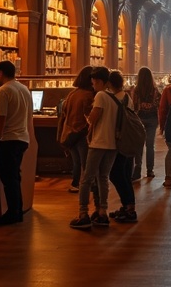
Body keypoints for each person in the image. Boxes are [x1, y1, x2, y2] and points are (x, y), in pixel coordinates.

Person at [70, 67, 118, 230]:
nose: (93, 85)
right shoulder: (115, 97)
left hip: (98, 142)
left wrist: (86, 117)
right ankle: (102, 212)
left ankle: (83, 214)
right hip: (112, 144)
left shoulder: (101, 96)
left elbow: (93, 118)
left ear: (99, 82)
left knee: (87, 178)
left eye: (94, 82)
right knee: (103, 177)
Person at [0, 60, 32, 225]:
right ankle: (18, 210)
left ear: (0, 73)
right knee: (15, 176)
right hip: (22, 138)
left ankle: (13, 213)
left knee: (8, 179)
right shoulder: (24, 88)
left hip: (8, 139)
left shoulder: (3, 91)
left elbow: (1, 119)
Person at [106, 71, 138, 223]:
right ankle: (128, 207)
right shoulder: (126, 97)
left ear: (109, 84)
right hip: (129, 139)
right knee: (125, 174)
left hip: (119, 141)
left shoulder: (113, 99)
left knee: (116, 174)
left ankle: (129, 207)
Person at [58, 66, 96, 192]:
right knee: (86, 161)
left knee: (76, 161)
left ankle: (75, 183)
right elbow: (89, 115)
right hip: (82, 132)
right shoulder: (88, 95)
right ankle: (87, 184)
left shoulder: (72, 94)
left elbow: (64, 113)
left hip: (69, 133)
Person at [132, 67, 161, 179]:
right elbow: (159, 105)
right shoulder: (155, 91)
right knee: (150, 146)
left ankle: (137, 170)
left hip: (139, 119)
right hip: (152, 119)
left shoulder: (136, 90)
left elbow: (133, 106)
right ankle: (150, 170)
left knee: (138, 146)